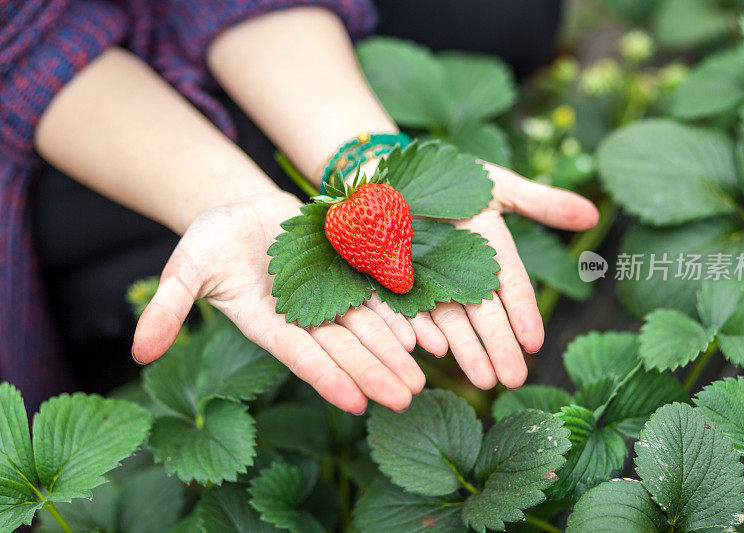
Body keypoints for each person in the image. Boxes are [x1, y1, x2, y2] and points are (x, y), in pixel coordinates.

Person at [2, 0, 597, 413]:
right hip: (46, 125)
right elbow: (21, 43)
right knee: (116, 258)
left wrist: (357, 149)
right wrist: (224, 195)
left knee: (501, 15)